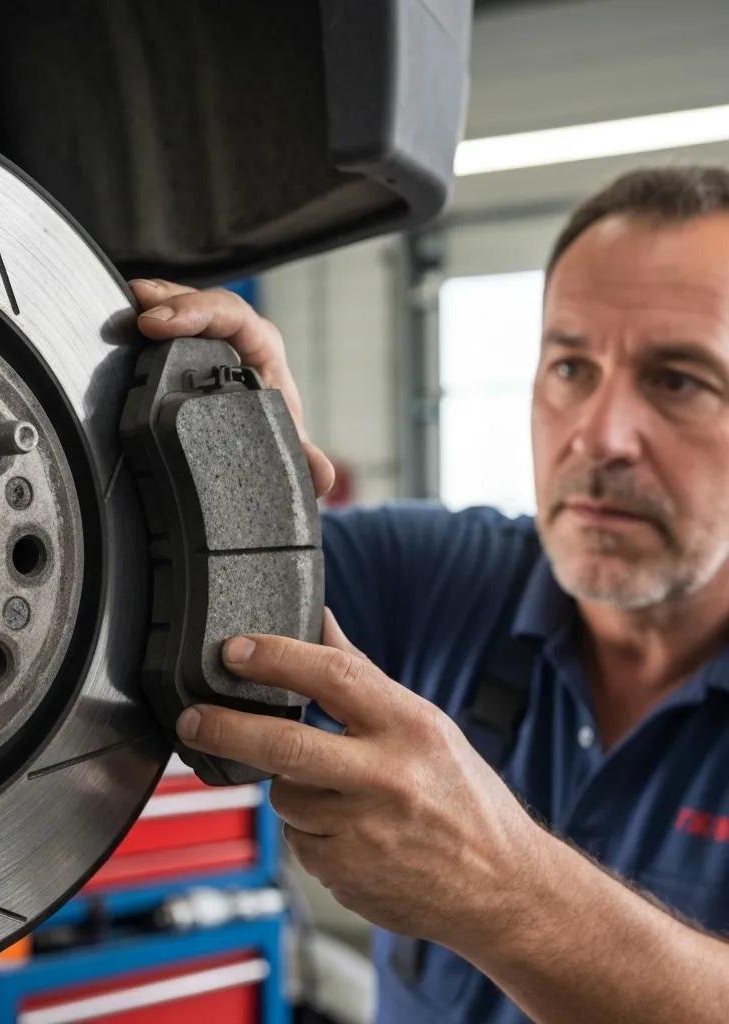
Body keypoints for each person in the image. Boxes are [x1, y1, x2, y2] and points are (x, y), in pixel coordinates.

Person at [128, 165, 729, 1024]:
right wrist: (243, 488)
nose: (600, 434)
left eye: (677, 379)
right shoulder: (438, 581)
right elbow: (141, 582)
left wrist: (509, 891)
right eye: (570, 367)